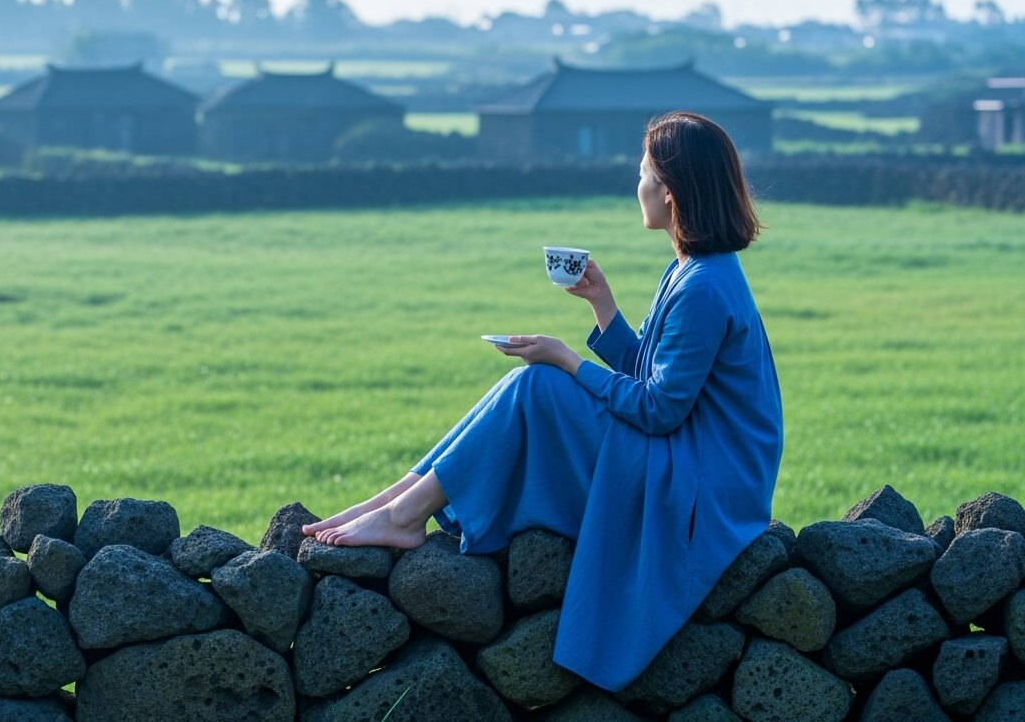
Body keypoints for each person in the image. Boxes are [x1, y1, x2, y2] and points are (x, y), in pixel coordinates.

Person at [302, 111, 783, 693]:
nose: (637, 185)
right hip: (686, 455)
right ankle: (396, 501)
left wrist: (568, 360)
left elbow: (659, 410)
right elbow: (658, 381)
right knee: (532, 384)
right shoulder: (694, 270)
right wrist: (602, 304)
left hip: (701, 485)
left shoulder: (704, 286)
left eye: (643, 173)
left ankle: (404, 515)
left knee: (540, 384)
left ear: (671, 194)